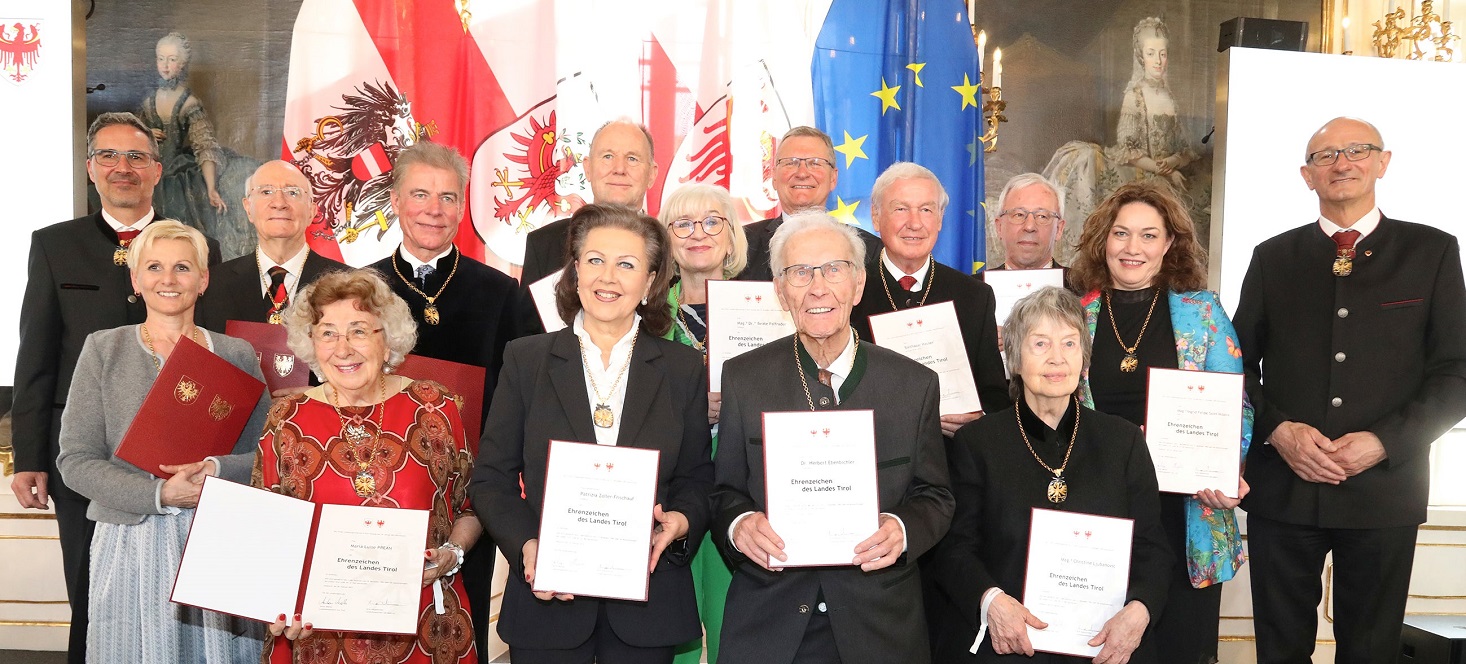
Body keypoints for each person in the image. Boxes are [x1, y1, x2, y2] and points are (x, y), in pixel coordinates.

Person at [1234, 117, 1466, 664]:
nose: (1342, 163)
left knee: (1370, 651)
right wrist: (1278, 431)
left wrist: (1385, 442)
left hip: (1385, 491)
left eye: (1357, 151)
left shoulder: (1430, 252)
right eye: (1326, 155)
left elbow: (1457, 372)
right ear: (1306, 176)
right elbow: (1235, 367)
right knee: (1279, 648)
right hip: (1285, 490)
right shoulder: (1273, 257)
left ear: (1383, 162)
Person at [12, 112, 221, 664]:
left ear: (157, 170)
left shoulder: (198, 246)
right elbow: (35, 356)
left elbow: (213, 351)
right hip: (84, 457)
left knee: (186, 595)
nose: (122, 168)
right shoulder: (55, 245)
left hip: (183, 456)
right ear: (90, 169)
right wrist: (29, 456)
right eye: (108, 156)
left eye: (135, 157)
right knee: (91, 590)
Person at [471, 204, 713, 663]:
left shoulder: (682, 368)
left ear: (650, 280)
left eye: (627, 264)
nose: (608, 277)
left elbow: (697, 478)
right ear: (575, 271)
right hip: (548, 600)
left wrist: (679, 522)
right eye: (595, 260)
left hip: (648, 599)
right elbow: (492, 479)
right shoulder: (526, 359)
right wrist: (528, 545)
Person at [714, 213, 953, 663]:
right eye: (799, 272)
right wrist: (739, 524)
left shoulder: (913, 384)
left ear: (858, 284)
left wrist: (902, 530)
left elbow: (935, 496)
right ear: (781, 292)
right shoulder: (744, 378)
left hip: (879, 627)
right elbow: (725, 490)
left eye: (833, 269)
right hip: (771, 624)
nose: (817, 287)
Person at [55, 220, 269, 662]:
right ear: (136, 279)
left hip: (217, 536)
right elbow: (75, 460)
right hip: (130, 540)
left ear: (204, 279)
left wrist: (216, 470)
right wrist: (158, 493)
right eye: (154, 266)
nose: (168, 280)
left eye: (183, 268)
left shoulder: (237, 354)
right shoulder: (103, 349)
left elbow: (269, 456)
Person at [930, 286, 1170, 663]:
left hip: (1103, 645)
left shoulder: (1122, 441)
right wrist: (992, 601)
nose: (1057, 358)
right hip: (1008, 642)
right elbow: (954, 550)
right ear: (1014, 360)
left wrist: (1140, 611)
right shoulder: (977, 443)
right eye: (1040, 344)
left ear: (1084, 358)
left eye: (1070, 344)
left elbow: (1153, 549)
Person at [255, 268, 484, 663]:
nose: (342, 349)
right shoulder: (286, 419)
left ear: (387, 337)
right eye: (327, 332)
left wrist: (453, 553)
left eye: (359, 330)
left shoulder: (436, 406)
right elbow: (266, 532)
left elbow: (471, 505)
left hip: (424, 628)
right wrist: (275, 602)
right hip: (318, 635)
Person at [1069, 180, 1252, 664]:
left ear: (1170, 244)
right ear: (1103, 240)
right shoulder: (1073, 314)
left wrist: (1225, 470)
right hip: (1097, 511)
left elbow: (1238, 407)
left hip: (1187, 514)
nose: (1133, 248)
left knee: (1181, 651)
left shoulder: (1203, 314)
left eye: (1149, 235)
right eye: (1121, 233)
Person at [367, 140, 520, 659]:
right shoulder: (360, 288)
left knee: (459, 631)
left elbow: (522, 393)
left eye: (449, 197)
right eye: (420, 194)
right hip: (374, 488)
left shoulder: (501, 293)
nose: (434, 209)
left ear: (462, 206)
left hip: (468, 499)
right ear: (394, 199)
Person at [657, 182, 748, 664]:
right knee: (674, 619)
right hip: (672, 487)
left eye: (713, 221)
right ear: (666, 240)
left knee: (735, 617)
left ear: (732, 237)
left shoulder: (768, 312)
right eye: (683, 224)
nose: (699, 234)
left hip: (744, 483)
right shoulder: (645, 315)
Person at [851, 161, 1011, 433]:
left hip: (953, 460)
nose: (914, 223)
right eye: (901, 209)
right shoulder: (850, 292)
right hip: (878, 453)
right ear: (876, 217)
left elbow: (995, 395)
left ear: (939, 219)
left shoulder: (974, 296)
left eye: (926, 210)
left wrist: (978, 419)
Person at [1043, 17, 1203, 265]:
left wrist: (1172, 162)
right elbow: (1128, 149)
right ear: (1141, 57)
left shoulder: (1170, 98)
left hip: (1164, 175)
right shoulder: (1134, 96)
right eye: (1151, 53)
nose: (1158, 61)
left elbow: (1183, 147)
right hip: (1141, 173)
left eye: (1163, 53)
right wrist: (1164, 170)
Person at [141, 32, 256, 259]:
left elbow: (205, 146)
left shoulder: (189, 103)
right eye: (160, 59)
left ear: (182, 64)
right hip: (148, 172)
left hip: (176, 177)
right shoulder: (148, 101)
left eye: (172, 59)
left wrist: (211, 189)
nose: (165, 66)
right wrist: (144, 134)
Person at [196, 160, 347, 334]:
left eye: (292, 192)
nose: (279, 203)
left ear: (312, 211)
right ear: (248, 208)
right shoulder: (212, 286)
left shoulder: (347, 285)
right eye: (266, 192)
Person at [519, 119, 659, 290]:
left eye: (632, 158)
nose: (619, 168)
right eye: (608, 156)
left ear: (652, 174)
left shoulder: (671, 248)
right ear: (588, 168)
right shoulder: (543, 244)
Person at [737, 126, 884, 281]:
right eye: (790, 163)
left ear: (833, 178)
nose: (802, 173)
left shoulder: (871, 251)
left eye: (815, 163)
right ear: (773, 177)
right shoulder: (741, 244)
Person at [986, 173, 1070, 275]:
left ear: (1058, 229)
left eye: (1042, 216)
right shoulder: (970, 290)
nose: (1029, 227)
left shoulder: (1084, 288)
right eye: (1019, 215)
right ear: (999, 227)